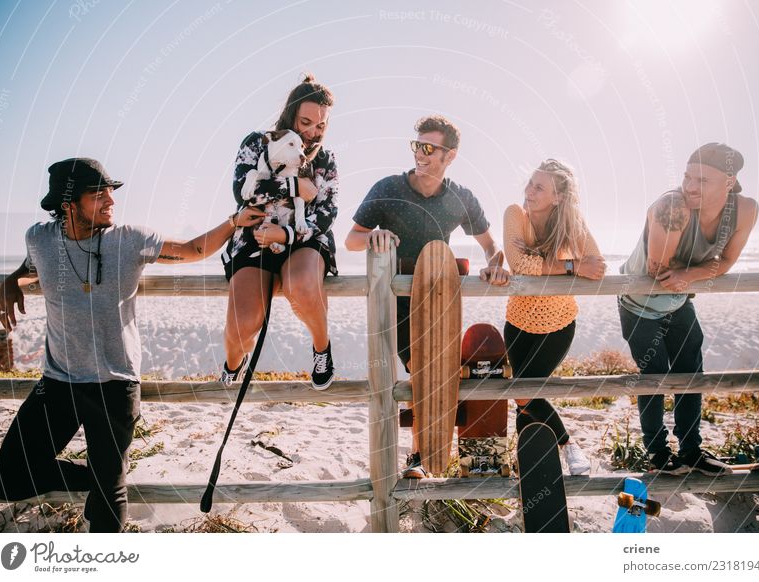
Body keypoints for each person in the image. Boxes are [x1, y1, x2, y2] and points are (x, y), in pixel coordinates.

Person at [0, 158, 263, 532]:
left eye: (110, 192)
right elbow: (31, 268)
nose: (110, 201)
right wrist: (13, 279)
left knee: (109, 501)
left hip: (114, 385)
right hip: (58, 383)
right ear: (68, 204)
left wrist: (233, 222)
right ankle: (101, 479)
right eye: (98, 193)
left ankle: (107, 489)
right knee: (9, 479)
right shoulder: (39, 237)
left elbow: (191, 249)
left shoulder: (128, 239)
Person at [345, 115, 510, 478]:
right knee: (404, 378)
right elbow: (351, 239)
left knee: (429, 374)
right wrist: (375, 236)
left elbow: (490, 245)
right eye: (416, 145)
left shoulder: (459, 197)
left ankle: (420, 458)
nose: (420, 154)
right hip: (391, 301)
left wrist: (495, 265)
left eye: (429, 148)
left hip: (438, 298)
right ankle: (401, 461)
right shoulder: (388, 188)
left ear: (449, 156)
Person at [618, 143, 759, 476]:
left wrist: (688, 272)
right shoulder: (672, 207)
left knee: (691, 372)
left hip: (679, 302)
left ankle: (692, 451)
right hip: (638, 304)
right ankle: (657, 454)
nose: (690, 186)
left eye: (702, 180)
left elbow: (725, 262)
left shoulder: (746, 210)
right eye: (687, 176)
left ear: (729, 182)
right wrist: (690, 270)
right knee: (654, 375)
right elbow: (658, 271)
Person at [221, 74, 338, 391]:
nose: (312, 132)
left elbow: (327, 212)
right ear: (290, 114)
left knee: (301, 285)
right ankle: (234, 361)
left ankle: (321, 348)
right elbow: (242, 192)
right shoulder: (257, 142)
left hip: (304, 240)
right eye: (305, 122)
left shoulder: (325, 159)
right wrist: (294, 185)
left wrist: (285, 236)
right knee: (243, 324)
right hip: (253, 238)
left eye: (320, 125)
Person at [503, 159, 605, 475]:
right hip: (518, 321)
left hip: (558, 322)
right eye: (530, 183)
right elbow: (520, 265)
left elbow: (597, 265)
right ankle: (531, 459)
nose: (529, 191)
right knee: (524, 396)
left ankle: (567, 445)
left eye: (539, 187)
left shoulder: (571, 224)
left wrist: (541, 262)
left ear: (557, 197)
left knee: (523, 391)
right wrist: (572, 266)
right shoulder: (515, 215)